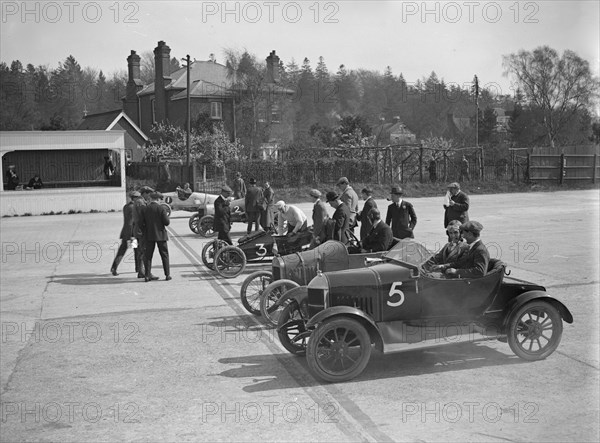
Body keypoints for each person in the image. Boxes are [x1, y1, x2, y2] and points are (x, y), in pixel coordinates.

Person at [141, 192, 171, 282]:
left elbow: (141, 223)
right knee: (164, 255)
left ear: (151, 199)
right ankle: (167, 275)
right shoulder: (161, 208)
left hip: (149, 235)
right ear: (158, 199)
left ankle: (147, 275)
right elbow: (166, 222)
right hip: (161, 235)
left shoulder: (146, 209)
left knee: (148, 256)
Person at [110, 191, 139, 276]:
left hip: (125, 232)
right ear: (135, 198)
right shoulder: (134, 207)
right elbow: (133, 221)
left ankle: (114, 267)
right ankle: (138, 268)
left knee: (122, 251)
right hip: (132, 232)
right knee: (137, 250)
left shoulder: (126, 206)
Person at [132, 186, 153, 278]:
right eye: (148, 194)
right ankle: (144, 272)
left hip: (137, 229)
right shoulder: (140, 203)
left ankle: (141, 271)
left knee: (140, 251)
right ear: (144, 193)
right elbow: (143, 217)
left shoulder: (140, 202)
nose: (149, 196)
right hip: (141, 230)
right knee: (143, 251)